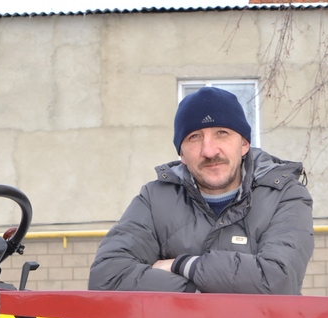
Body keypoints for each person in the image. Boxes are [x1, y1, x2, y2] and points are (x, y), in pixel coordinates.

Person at [88, 86, 313, 294]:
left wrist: (182, 265)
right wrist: (195, 293)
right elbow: (107, 277)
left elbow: (278, 280)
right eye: (194, 137)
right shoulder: (155, 199)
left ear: (244, 144)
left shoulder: (284, 194)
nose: (208, 150)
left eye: (221, 133)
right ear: (182, 155)